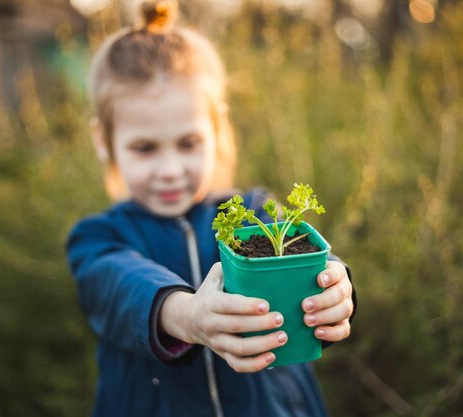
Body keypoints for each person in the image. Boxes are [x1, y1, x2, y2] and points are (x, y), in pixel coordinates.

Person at [66, 1, 356, 416]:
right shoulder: (97, 239)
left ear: (217, 131)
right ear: (104, 141)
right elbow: (120, 287)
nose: (170, 170)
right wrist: (189, 316)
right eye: (145, 148)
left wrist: (336, 286)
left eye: (188, 144)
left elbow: (305, 266)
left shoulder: (257, 211)